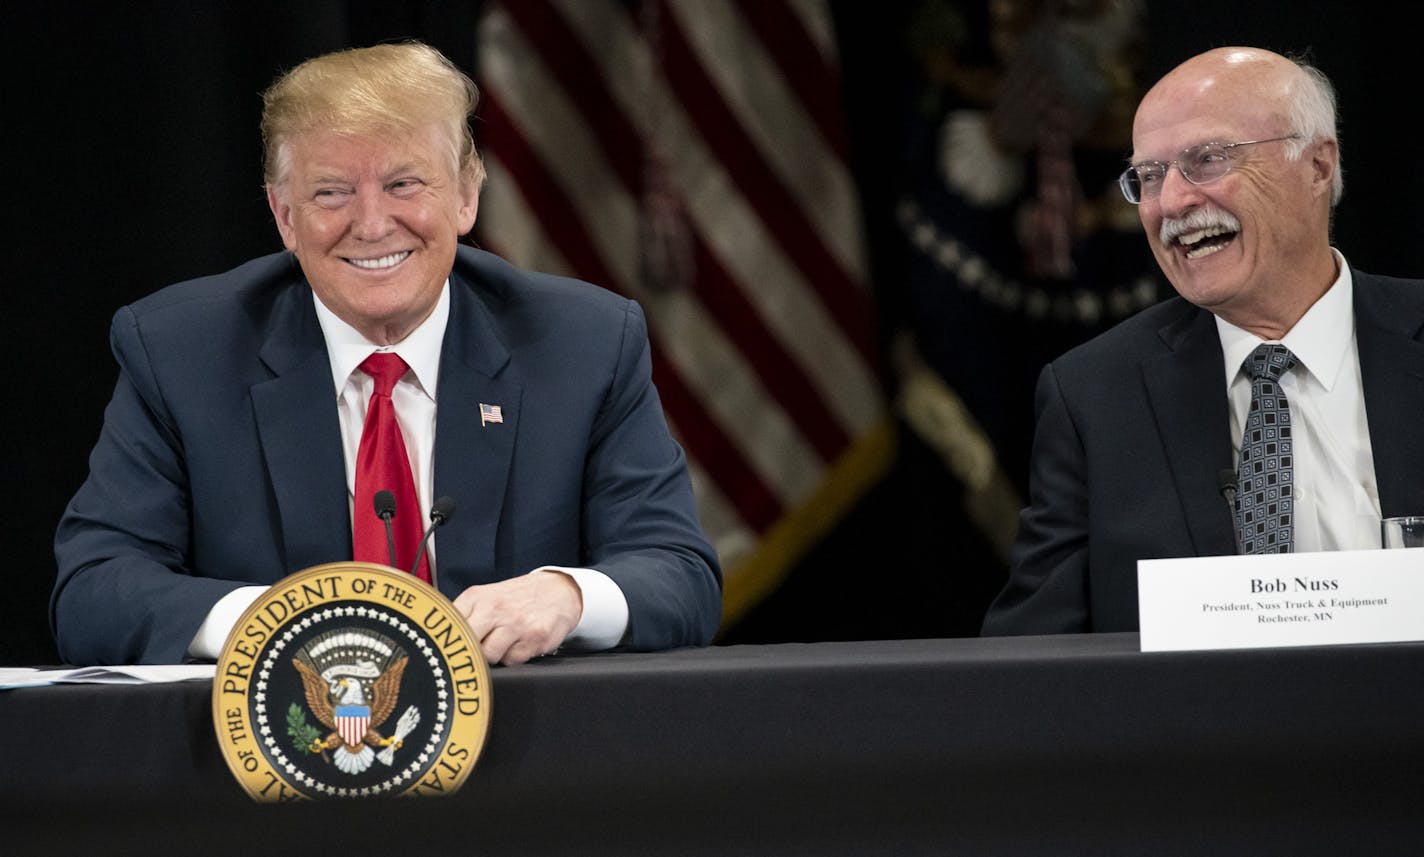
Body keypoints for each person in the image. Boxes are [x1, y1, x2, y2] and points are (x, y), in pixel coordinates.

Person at [52, 42, 722, 665]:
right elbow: (93, 588)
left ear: (465, 196)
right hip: (275, 770)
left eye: (404, 184)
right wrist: (270, 620)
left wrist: (567, 597)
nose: (371, 225)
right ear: (285, 216)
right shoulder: (181, 354)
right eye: (332, 192)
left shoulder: (583, 344)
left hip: (527, 764)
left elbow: (680, 574)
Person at [982, 46, 1424, 635]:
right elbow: (1029, 659)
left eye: (1208, 160)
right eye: (1149, 176)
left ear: (1317, 167)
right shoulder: (1092, 395)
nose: (1172, 203)